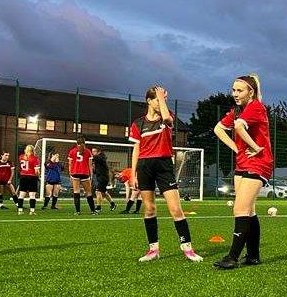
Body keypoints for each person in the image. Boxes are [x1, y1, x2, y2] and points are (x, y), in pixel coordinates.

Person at [129, 85, 202, 262]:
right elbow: (136, 149)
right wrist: (133, 174)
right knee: (149, 209)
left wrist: (162, 98)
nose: (161, 101)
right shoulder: (138, 123)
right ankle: (153, 250)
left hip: (163, 165)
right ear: (148, 101)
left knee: (176, 209)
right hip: (145, 167)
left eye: (163, 98)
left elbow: (168, 117)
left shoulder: (165, 118)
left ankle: (187, 248)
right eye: (157, 98)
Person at [211, 74, 274, 269]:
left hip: (258, 163)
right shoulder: (238, 110)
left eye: (240, 90)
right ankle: (253, 256)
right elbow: (218, 129)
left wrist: (255, 147)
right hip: (242, 163)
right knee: (249, 210)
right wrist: (237, 148)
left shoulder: (256, 107)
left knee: (240, 209)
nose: (235, 94)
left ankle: (232, 257)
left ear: (251, 92)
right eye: (233, 90)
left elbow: (238, 126)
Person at [67, 136, 98, 215]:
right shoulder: (88, 151)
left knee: (76, 192)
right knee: (88, 192)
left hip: (75, 173)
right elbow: (90, 165)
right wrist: (91, 176)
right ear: (84, 143)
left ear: (76, 143)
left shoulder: (72, 151)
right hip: (85, 173)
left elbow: (70, 164)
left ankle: (77, 211)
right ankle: (93, 211)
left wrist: (70, 174)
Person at [91, 147, 117, 211]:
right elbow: (95, 170)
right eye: (92, 151)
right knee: (104, 192)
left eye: (94, 151)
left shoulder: (101, 157)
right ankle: (113, 204)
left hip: (103, 177)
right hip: (100, 177)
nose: (92, 153)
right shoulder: (97, 159)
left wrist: (90, 157)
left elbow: (98, 159)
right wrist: (93, 168)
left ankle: (99, 207)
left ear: (98, 152)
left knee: (97, 191)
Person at [17, 145, 40, 215]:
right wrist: (39, 175)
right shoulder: (35, 158)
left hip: (23, 176)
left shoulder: (21, 157)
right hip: (32, 177)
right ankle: (32, 211)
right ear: (33, 150)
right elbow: (36, 171)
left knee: (21, 194)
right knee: (32, 195)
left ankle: (20, 210)